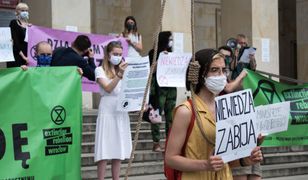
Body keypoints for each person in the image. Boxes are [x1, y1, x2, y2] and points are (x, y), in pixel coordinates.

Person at [165, 49, 263, 180]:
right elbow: (170, 159)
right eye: (214, 70)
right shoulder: (186, 111)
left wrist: (246, 160)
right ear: (201, 74)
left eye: (223, 70)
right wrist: (205, 164)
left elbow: (225, 160)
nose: (221, 75)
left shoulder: (227, 108)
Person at [94, 41, 131, 180]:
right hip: (107, 110)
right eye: (115, 54)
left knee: (118, 148)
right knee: (104, 148)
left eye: (120, 54)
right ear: (108, 54)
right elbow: (108, 88)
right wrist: (119, 75)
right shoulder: (100, 70)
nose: (118, 57)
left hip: (120, 110)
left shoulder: (123, 69)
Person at [147, 31, 176, 152]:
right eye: (169, 39)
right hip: (158, 89)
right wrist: (160, 59)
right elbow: (150, 71)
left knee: (171, 116)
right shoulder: (152, 53)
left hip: (171, 88)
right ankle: (156, 142)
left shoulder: (173, 54)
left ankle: (170, 143)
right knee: (156, 115)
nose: (171, 41)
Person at [8, 2, 31, 68]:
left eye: (26, 10)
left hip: (27, 56)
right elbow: (15, 42)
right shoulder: (14, 23)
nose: (25, 12)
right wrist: (24, 57)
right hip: (17, 56)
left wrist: (31, 29)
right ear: (17, 11)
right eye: (22, 10)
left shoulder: (29, 25)